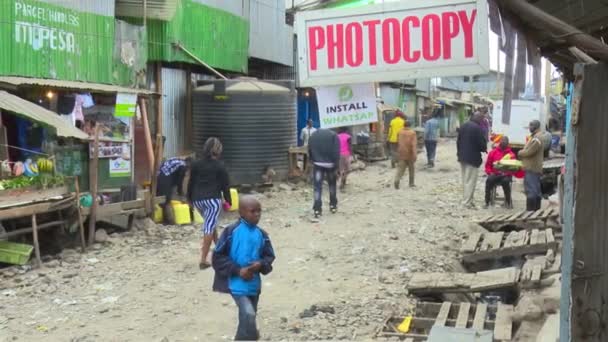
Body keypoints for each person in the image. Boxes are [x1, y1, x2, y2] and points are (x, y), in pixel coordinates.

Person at [212, 196, 275, 341]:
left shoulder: (262, 234)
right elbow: (217, 257)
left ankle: (248, 337)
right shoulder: (231, 232)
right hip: (236, 284)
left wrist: (260, 264)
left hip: (254, 285)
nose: (257, 215)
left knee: (248, 317)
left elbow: (269, 256)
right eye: (253, 211)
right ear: (241, 212)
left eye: (259, 211)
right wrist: (238, 270)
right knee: (249, 314)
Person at [188, 137, 232, 269]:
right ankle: (203, 260)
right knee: (209, 227)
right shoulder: (220, 166)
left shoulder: (196, 164)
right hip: (212, 200)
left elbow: (191, 182)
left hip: (198, 200)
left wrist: (189, 199)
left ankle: (219, 249)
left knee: (210, 223)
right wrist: (228, 201)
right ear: (218, 151)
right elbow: (225, 186)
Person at [457, 113, 487, 208]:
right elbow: (482, 144)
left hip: (462, 157)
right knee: (470, 181)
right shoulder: (477, 128)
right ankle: (467, 202)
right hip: (473, 158)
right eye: (481, 118)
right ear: (477, 118)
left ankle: (467, 200)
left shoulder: (464, 126)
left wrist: (459, 153)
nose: (482, 121)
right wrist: (484, 149)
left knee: (465, 180)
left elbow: (458, 141)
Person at [308, 128, 340, 218]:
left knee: (317, 187)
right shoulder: (334, 135)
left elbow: (309, 148)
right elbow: (336, 152)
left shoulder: (313, 135)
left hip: (318, 164)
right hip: (330, 164)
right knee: (332, 185)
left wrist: (312, 159)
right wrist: (336, 165)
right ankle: (333, 205)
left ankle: (317, 210)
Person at [484, 136, 521, 209]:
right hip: (495, 174)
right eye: (502, 141)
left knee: (505, 182)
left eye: (505, 141)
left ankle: (508, 202)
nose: (503, 142)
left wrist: (507, 173)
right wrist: (489, 172)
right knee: (489, 180)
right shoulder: (493, 152)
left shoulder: (511, 155)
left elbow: (513, 169)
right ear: (500, 142)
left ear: (507, 143)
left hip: (506, 175)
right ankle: (487, 202)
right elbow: (488, 165)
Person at [519, 120, 544, 211]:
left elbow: (529, 152)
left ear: (536, 126)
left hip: (532, 167)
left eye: (531, 125)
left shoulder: (537, 138)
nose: (529, 127)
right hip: (534, 167)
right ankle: (536, 212)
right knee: (536, 191)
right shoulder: (535, 137)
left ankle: (530, 213)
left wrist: (520, 152)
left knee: (531, 191)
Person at [157, 157, 192, 224]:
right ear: (189, 164)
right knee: (167, 200)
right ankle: (169, 221)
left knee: (163, 199)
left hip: (159, 176)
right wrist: (181, 193)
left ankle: (164, 219)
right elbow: (180, 181)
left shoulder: (178, 160)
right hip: (164, 178)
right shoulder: (183, 166)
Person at [394, 119, 417, 189]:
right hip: (410, 154)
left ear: (404, 125)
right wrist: (415, 155)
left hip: (401, 153)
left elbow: (397, 142)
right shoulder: (412, 133)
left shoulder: (400, 132)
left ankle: (396, 180)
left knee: (400, 169)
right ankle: (411, 183)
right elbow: (413, 145)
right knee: (411, 169)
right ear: (410, 125)